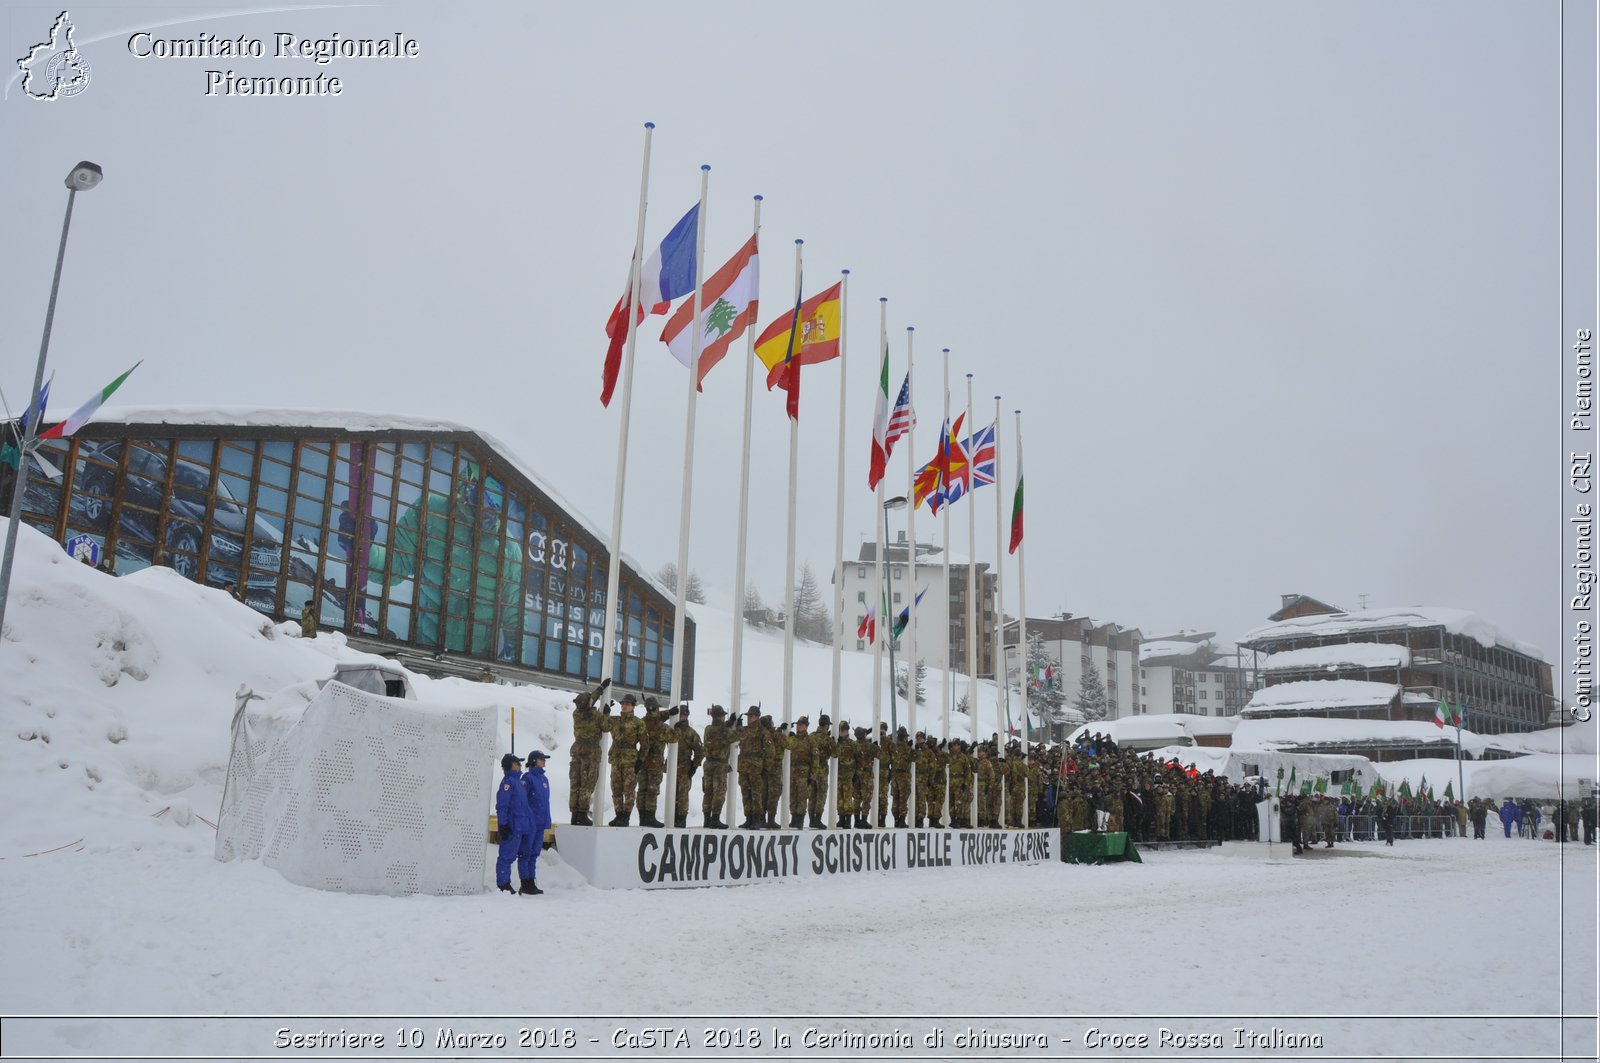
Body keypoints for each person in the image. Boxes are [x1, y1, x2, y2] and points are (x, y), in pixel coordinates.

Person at [599, 693, 646, 826]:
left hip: (630, 761)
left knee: (629, 790)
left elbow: (645, 744)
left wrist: (640, 761)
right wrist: (606, 714)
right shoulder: (615, 720)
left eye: (628, 704)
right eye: (623, 704)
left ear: (633, 706)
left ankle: (626, 817)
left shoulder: (638, 723)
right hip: (616, 760)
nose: (625, 706)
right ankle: (618, 815)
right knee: (616, 789)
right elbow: (604, 727)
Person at [568, 678, 610, 826]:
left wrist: (600, 688)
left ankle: (575, 815)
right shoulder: (594, 715)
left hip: (577, 752)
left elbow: (590, 699)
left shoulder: (576, 713)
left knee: (576, 783)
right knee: (587, 784)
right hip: (590, 753)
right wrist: (606, 714)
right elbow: (605, 727)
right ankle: (582, 813)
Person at [495, 753, 532, 894]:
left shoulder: (519, 783)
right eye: (517, 763)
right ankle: (503, 884)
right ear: (511, 765)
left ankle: (510, 883)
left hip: (521, 826)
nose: (520, 765)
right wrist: (503, 824)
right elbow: (502, 806)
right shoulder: (508, 783)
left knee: (517, 855)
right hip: (512, 825)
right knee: (506, 856)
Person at [519, 751, 552, 894]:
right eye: (541, 759)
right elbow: (522, 800)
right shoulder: (527, 778)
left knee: (534, 853)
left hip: (540, 822)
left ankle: (531, 881)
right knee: (526, 853)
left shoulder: (544, 779)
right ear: (533, 761)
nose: (544, 761)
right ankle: (525, 882)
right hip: (530, 823)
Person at [700, 706, 737, 829]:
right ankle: (715, 819)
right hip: (720, 765)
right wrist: (739, 726)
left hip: (708, 764)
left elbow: (718, 729)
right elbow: (737, 736)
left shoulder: (708, 729)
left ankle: (707, 819)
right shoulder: (724, 731)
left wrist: (728, 723)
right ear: (721, 716)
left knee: (708, 792)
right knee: (719, 792)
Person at [670, 706, 704, 828]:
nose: (681, 717)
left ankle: (681, 820)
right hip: (673, 768)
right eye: (679, 715)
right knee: (672, 794)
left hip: (685, 769)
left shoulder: (691, 733)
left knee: (683, 795)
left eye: (683, 715)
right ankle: (672, 818)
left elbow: (700, 751)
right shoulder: (673, 730)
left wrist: (694, 767)